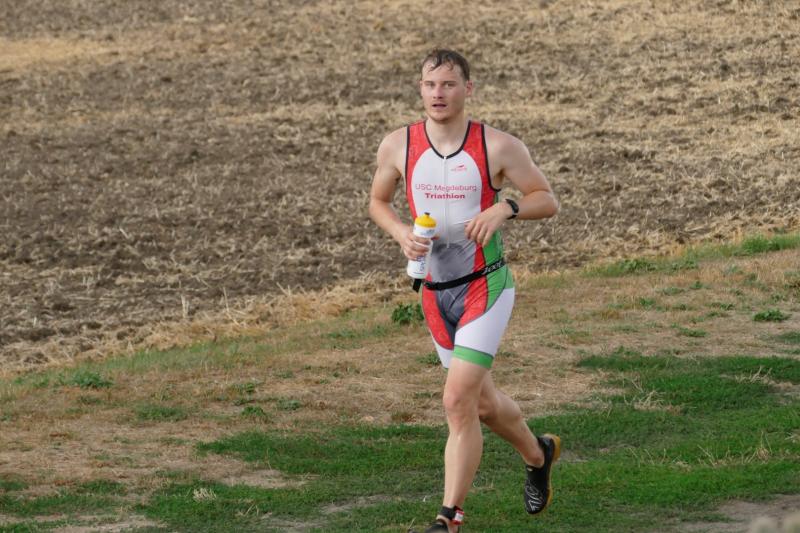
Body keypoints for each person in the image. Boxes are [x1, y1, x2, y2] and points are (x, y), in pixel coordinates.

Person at [368, 49, 561, 532]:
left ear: (467, 89)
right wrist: (400, 232)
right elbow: (377, 202)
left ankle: (448, 517)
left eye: (449, 84)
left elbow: (546, 199)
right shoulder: (397, 145)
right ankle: (538, 455)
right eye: (430, 84)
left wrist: (505, 208)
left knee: (456, 401)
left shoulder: (497, 146)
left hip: (485, 287)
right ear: (420, 88)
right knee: (482, 405)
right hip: (434, 293)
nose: (439, 94)